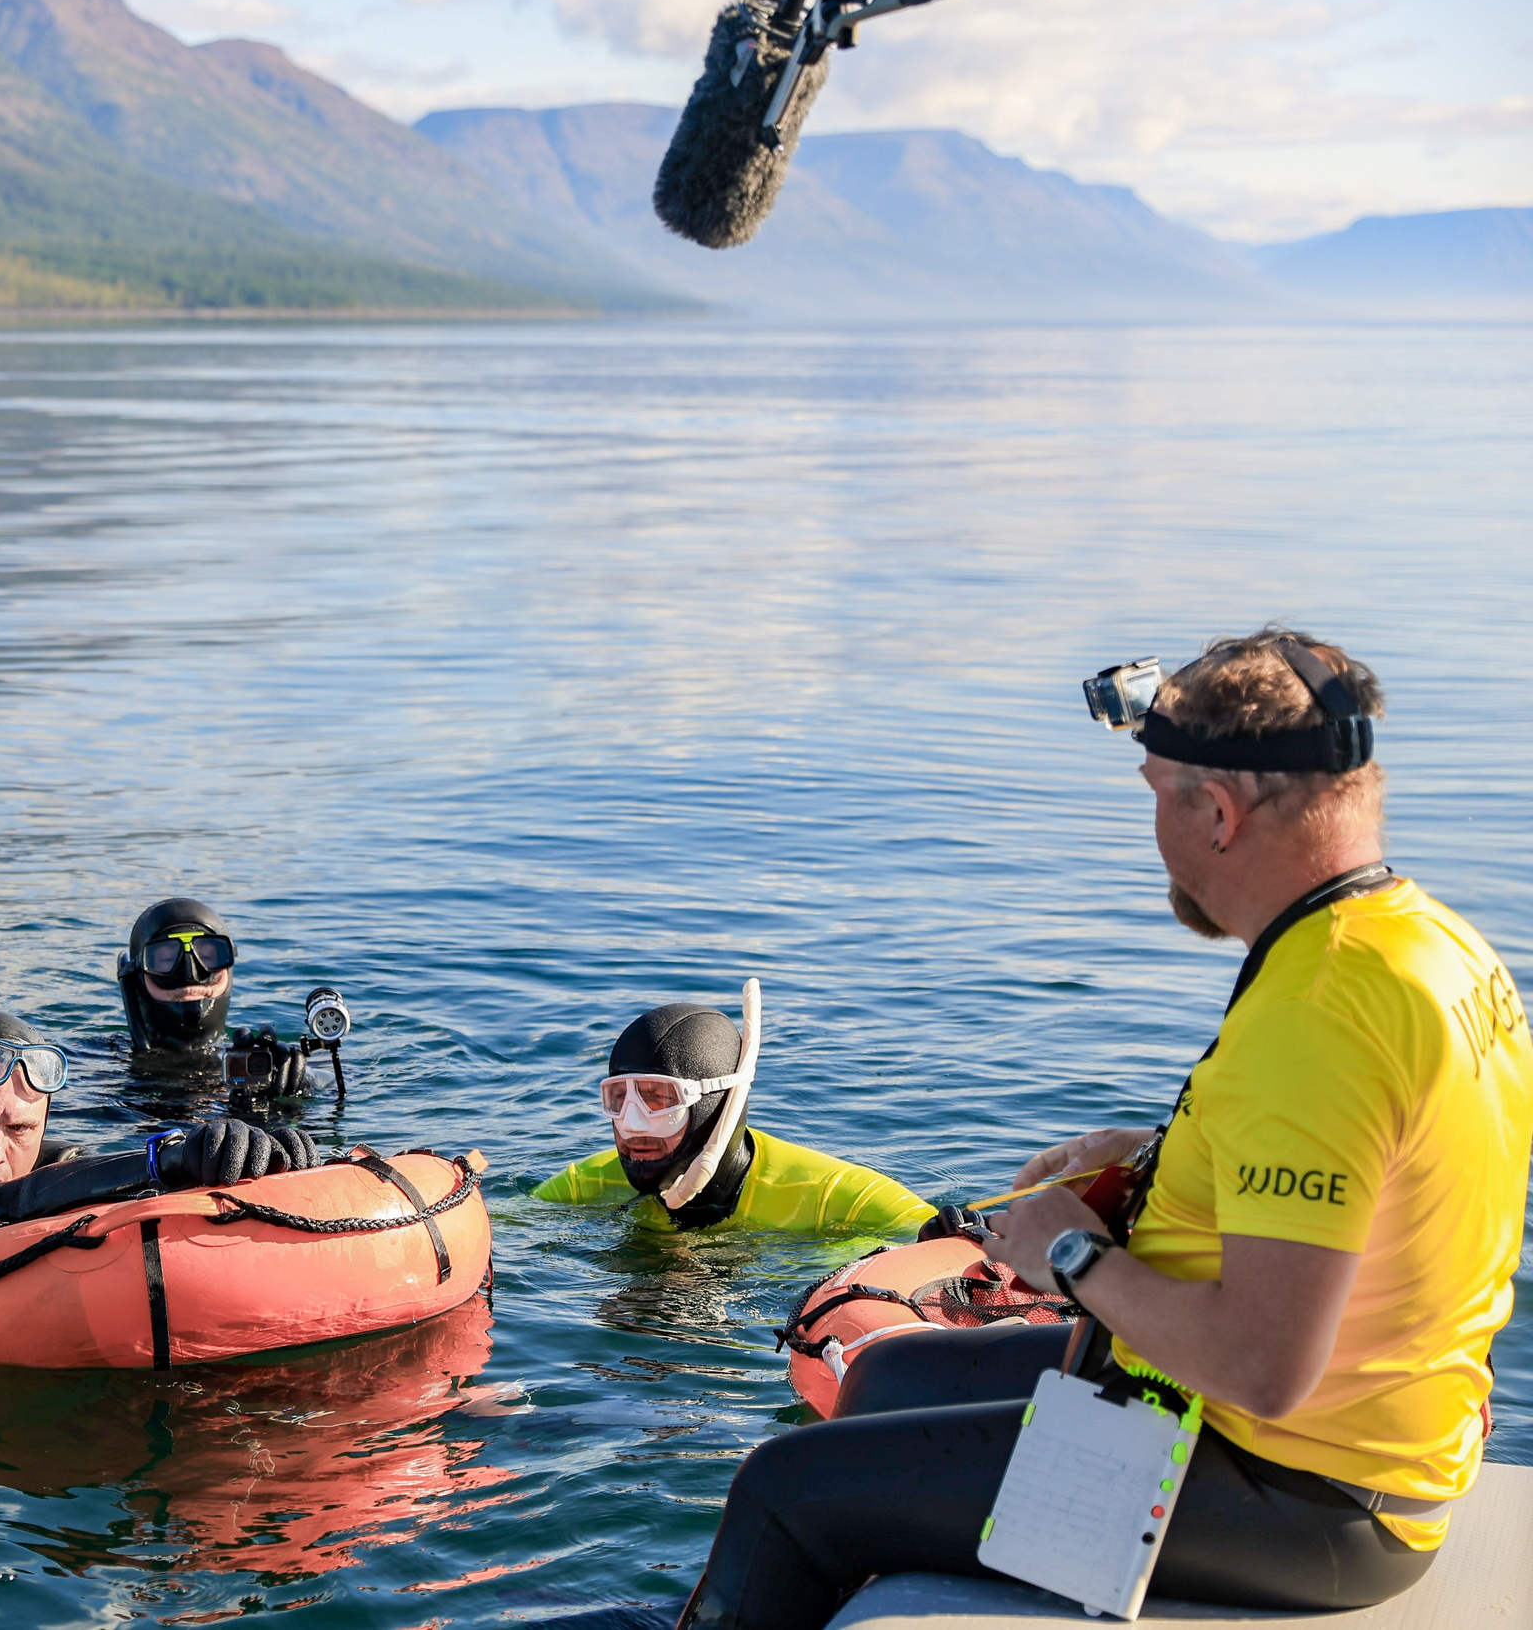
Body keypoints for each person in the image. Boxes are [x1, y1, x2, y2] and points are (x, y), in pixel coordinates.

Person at [674, 629, 1533, 1630]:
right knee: (888, 1376)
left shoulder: (1317, 1013)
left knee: (784, 1491)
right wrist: (1165, 1158)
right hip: (1332, 1443)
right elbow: (1378, 1167)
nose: (1151, 826)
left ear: (1213, 812)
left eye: (1153, 792)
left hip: (1302, 1497)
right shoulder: (1421, 940)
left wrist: (1069, 1254)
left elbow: (1265, 1367)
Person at [0, 1011, 320, 1284]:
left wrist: (252, 1148)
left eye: (20, 1129)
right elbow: (0, 1204)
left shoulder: (62, 1169)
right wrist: (171, 1155)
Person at [532, 990, 932, 1236]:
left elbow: (936, 1237)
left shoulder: (840, 1196)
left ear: (718, 1101)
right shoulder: (584, 1184)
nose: (631, 1124)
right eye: (618, 1098)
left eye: (659, 1098)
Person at [116, 897, 336, 1099]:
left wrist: (303, 1079)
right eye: (165, 960)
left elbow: (343, 1081)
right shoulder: (101, 1064)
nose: (190, 974)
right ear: (135, 976)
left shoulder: (267, 1061)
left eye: (208, 957)